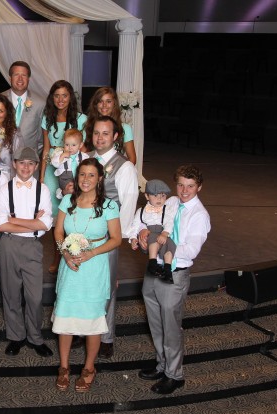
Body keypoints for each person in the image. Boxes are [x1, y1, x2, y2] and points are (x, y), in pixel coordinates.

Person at [138, 165, 210, 394]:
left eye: (190, 186)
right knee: (155, 322)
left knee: (171, 327)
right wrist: (141, 234)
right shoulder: (170, 202)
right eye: (180, 185)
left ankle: (175, 374)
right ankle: (162, 365)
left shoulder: (199, 215)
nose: (184, 190)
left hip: (175, 275)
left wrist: (158, 247)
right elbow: (150, 219)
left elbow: (190, 250)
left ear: (199, 187)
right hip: (154, 271)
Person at [52, 158, 121, 392]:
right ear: (76, 177)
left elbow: (116, 239)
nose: (86, 180)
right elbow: (59, 230)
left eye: (92, 175)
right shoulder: (68, 201)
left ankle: (89, 368)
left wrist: (92, 253)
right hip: (70, 266)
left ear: (100, 178)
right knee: (65, 318)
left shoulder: (109, 205)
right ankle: (64, 367)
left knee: (92, 320)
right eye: (82, 175)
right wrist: (65, 255)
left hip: (94, 267)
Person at [0, 147, 54, 358]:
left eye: (30, 164)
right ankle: (16, 336)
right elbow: (1, 225)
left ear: (37, 166)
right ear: (14, 164)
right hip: (9, 244)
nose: (26, 167)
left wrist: (15, 220)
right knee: (11, 294)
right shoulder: (5, 189)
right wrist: (33, 223)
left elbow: (46, 224)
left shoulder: (43, 190)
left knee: (34, 296)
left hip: (33, 246)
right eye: (22, 163)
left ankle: (35, 337)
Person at [88, 115, 139, 360]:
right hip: (85, 234)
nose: (100, 137)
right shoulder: (86, 159)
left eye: (105, 133)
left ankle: (105, 337)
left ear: (116, 137)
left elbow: (128, 203)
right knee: (86, 283)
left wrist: (120, 234)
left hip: (109, 235)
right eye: (97, 133)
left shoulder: (124, 166)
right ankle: (84, 331)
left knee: (107, 287)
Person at [40, 80, 87, 216]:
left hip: (73, 165)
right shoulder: (47, 118)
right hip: (53, 163)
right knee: (50, 197)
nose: (60, 100)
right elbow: (46, 148)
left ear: (70, 97)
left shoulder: (82, 119)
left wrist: (77, 170)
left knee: (72, 196)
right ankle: (55, 230)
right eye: (56, 95)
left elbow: (83, 148)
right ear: (52, 98)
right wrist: (42, 176)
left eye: (64, 95)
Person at [126, 179, 177, 282]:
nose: (159, 199)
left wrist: (165, 233)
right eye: (155, 196)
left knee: (171, 245)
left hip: (162, 234)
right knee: (154, 238)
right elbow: (135, 226)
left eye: (163, 196)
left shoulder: (167, 209)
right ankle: (152, 263)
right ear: (147, 196)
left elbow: (169, 222)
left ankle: (168, 270)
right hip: (149, 238)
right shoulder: (141, 211)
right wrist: (133, 239)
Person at [84, 87, 136, 165]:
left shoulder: (125, 128)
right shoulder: (88, 126)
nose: (104, 105)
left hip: (116, 169)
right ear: (95, 104)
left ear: (114, 103)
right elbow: (84, 155)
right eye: (100, 101)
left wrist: (122, 170)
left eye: (108, 101)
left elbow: (132, 159)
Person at [1, 61, 44, 152]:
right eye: (16, 75)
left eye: (24, 75)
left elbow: (41, 138)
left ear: (28, 79)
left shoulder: (41, 103)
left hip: (29, 160)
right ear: (10, 78)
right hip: (2, 159)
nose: (20, 79)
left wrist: (31, 157)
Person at [50, 128, 89, 200]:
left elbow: (89, 168)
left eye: (73, 145)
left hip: (79, 181)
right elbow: (54, 163)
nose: (70, 148)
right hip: (65, 181)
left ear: (80, 145)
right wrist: (62, 157)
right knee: (68, 197)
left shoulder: (84, 156)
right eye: (67, 144)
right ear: (63, 144)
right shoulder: (60, 154)